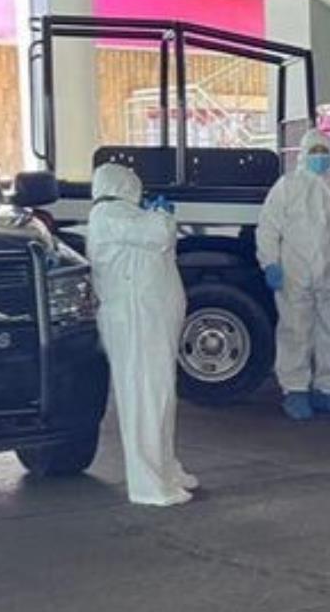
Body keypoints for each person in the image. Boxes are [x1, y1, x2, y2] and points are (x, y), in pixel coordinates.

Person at [88, 163, 198, 507]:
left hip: (149, 320)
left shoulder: (124, 215)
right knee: (144, 399)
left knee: (160, 396)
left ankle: (165, 468)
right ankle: (149, 484)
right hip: (135, 321)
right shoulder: (108, 214)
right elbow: (159, 235)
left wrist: (157, 216)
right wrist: (163, 216)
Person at [257, 130, 330, 421]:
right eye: (314, 152)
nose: (319, 157)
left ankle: (327, 388)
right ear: (304, 154)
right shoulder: (287, 187)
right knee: (296, 330)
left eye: (324, 151)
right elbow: (268, 228)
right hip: (294, 273)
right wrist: (270, 263)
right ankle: (295, 389)